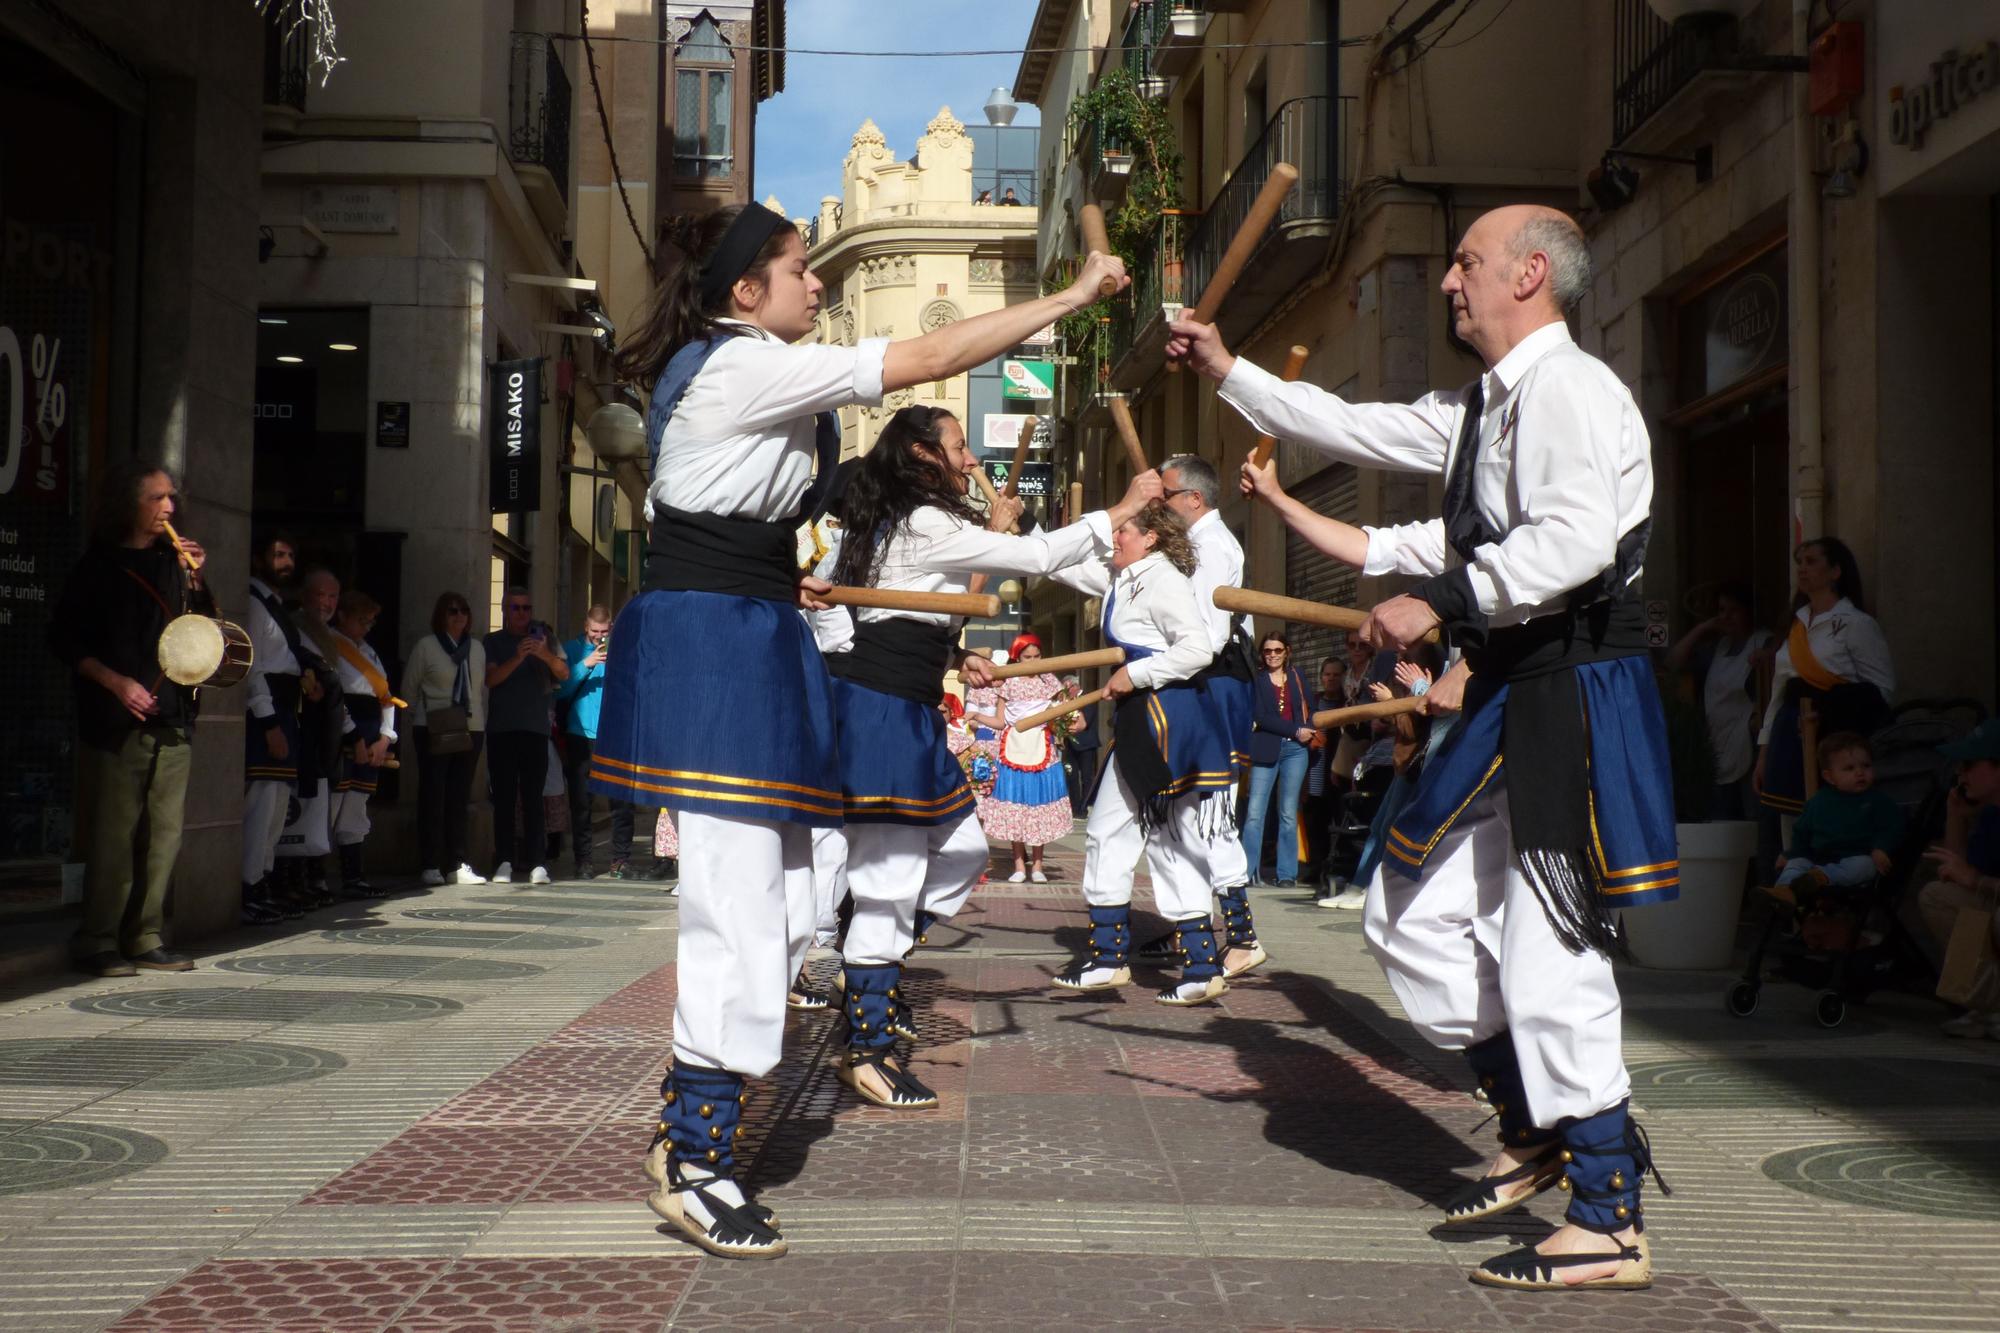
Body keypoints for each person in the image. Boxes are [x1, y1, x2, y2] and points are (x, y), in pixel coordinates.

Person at [589, 202, 1128, 1259]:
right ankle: (693, 1151)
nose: (815, 282)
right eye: (798, 268)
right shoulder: (740, 363)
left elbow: (757, 505)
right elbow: (926, 351)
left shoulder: (750, 369)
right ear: (745, 290)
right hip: (717, 645)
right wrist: (1067, 297)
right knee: (740, 899)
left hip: (755, 637)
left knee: (795, 901)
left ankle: (705, 1124)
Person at [1175, 204, 1675, 1291]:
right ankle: (1530, 1122)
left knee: (1551, 951)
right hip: (1509, 684)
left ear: (1529, 274)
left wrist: (1436, 599)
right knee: (1408, 911)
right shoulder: (1482, 408)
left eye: (1466, 262)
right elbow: (1351, 429)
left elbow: (1575, 541)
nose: (1448, 280)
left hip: (1569, 685)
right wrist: (1226, 369)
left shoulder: (1569, 391)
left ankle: (1608, 1210)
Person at [824, 405, 1155, 1108]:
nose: (971, 459)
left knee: (965, 850)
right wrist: (1122, 507)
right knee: (889, 878)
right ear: (922, 454)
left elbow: (900, 611)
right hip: (880, 714)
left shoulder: (898, 524)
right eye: (960, 445)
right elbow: (1035, 560)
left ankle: (867, 968)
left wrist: (952, 650)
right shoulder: (917, 522)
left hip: (901, 712)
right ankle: (867, 1038)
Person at [1049, 500, 1234, 1006]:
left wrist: (1136, 673)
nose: (1115, 539)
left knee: (1173, 841)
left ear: (1150, 537)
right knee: (1108, 831)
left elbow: (1198, 648)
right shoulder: (1124, 578)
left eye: (1122, 531)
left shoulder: (1164, 580)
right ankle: (1108, 958)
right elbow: (1064, 563)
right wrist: (1020, 532)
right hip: (1138, 723)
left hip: (1166, 721)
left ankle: (1200, 965)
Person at [48, 459, 210, 976]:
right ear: (129, 504)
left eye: (171, 499)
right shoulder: (100, 565)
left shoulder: (172, 561)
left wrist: (197, 580)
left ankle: (145, 934)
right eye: (157, 498)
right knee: (115, 835)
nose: (168, 508)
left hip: (172, 715)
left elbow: (198, 634)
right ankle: (97, 938)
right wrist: (116, 683)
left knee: (165, 836)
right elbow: (64, 640)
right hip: (118, 722)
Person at [1754, 538, 1894, 821]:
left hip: (1835, 740)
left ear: (1835, 571)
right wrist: (1764, 753)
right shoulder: (1796, 624)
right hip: (1789, 734)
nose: (1803, 569)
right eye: (1799, 563)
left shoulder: (1856, 624)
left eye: (1812, 562)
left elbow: (1882, 690)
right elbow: (1778, 693)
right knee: (1791, 826)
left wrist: (1835, 710)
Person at [277, 568, 358, 902]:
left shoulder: (326, 634)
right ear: (305, 596)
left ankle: (313, 875)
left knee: (318, 806)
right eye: (320, 595)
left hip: (326, 733)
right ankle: (289, 881)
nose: (325, 603)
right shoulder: (295, 625)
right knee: (296, 809)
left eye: (332, 596)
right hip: (302, 728)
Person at [1914, 720, 2000, 1036]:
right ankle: (1986, 1006)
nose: (1960, 774)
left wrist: (1976, 881)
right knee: (1940, 896)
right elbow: (1956, 875)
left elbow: (1974, 879)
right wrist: (1956, 817)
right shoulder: (1992, 814)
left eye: (1969, 765)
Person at [241, 533, 310, 923]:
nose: (285, 561)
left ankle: (264, 881)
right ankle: (249, 887)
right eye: (277, 553)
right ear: (258, 558)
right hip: (267, 713)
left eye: (290, 555)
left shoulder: (276, 604)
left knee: (277, 808)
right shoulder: (253, 603)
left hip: (286, 709)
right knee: (262, 803)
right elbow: (254, 668)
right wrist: (268, 721)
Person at [970, 634, 1074, 883]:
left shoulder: (1050, 680)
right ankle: (1019, 865)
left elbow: (1064, 713)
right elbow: (1000, 720)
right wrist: (976, 717)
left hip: (1042, 748)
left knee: (1039, 805)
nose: (1033, 661)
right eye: (1028, 657)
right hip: (1012, 748)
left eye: (1037, 656)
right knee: (1015, 806)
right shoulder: (1007, 682)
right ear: (1017, 657)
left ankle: (1037, 866)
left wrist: (1067, 722)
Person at [402, 591, 488, 887]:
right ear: (442, 615)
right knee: (432, 796)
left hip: (470, 728)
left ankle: (457, 862)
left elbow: (479, 690)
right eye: (452, 611)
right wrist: (419, 722)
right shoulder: (426, 646)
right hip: (434, 728)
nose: (459, 616)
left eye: (464, 610)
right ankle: (429, 863)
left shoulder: (476, 648)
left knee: (459, 798)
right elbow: (409, 691)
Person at [1667, 582, 1773, 821]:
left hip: (1749, 741)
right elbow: (1673, 663)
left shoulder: (1764, 642)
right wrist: (1704, 627)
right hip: (1718, 739)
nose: (1727, 617)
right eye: (1721, 610)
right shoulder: (1717, 648)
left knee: (1752, 816)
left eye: (1733, 610)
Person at [485, 587, 568, 885]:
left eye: (526, 608)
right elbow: (491, 679)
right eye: (515, 608)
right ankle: (504, 860)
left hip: (535, 729)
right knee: (504, 798)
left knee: (535, 798)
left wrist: (543, 653)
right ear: (505, 611)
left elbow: (563, 673)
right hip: (501, 729)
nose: (522, 613)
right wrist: (519, 657)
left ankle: (538, 862)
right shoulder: (493, 642)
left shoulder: (545, 638)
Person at [325, 590, 399, 898]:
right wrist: (352, 734)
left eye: (370, 622)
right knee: (331, 805)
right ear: (342, 616)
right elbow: (334, 694)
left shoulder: (369, 651)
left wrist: (385, 737)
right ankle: (314, 877)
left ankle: (354, 877)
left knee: (357, 805)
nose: (366, 627)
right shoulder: (329, 643)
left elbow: (386, 697)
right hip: (344, 731)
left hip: (371, 734)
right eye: (361, 620)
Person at [555, 605, 633, 880]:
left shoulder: (622, 649)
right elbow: (559, 691)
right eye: (594, 632)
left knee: (621, 801)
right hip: (580, 735)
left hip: (614, 734)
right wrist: (586, 665)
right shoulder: (572, 649)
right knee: (582, 802)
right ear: (585, 627)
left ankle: (620, 859)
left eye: (604, 631)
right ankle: (584, 859)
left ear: (611, 627)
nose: (599, 637)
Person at [1771, 733, 1902, 894]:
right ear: (1830, 777)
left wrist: (1881, 848)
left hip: (1854, 858)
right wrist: (1791, 854)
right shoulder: (1818, 801)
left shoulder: (1878, 800)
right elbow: (1802, 832)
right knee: (1796, 863)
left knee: (1866, 865)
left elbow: (1892, 827)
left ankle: (1819, 878)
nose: (1860, 772)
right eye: (1849, 768)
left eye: (1866, 766)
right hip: (1817, 858)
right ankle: (1783, 893)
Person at [1240, 632, 1313, 888]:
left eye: (1277, 650)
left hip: (1296, 751)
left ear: (1287, 651)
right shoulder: (1257, 680)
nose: (1272, 655)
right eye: (1268, 651)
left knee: (1288, 813)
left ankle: (1286, 874)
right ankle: (1247, 872)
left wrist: (1307, 731)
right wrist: (1295, 730)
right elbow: (1261, 716)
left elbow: (1309, 710)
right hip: (1266, 749)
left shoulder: (1297, 677)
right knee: (1254, 814)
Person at [1302, 654, 1347, 886]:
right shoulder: (1313, 702)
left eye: (1336, 674)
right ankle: (1314, 868)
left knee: (1336, 821)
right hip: (1313, 771)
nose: (1331, 679)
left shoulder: (1347, 703)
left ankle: (1333, 869)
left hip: (1337, 770)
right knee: (1314, 823)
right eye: (1327, 674)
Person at [1060, 673, 1101, 817]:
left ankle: (1084, 808)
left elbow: (1085, 722)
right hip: (1069, 744)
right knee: (1070, 776)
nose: (1066, 692)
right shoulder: (1065, 701)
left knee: (1087, 777)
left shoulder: (1087, 698)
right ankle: (1075, 808)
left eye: (1068, 689)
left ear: (1076, 686)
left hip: (1086, 744)